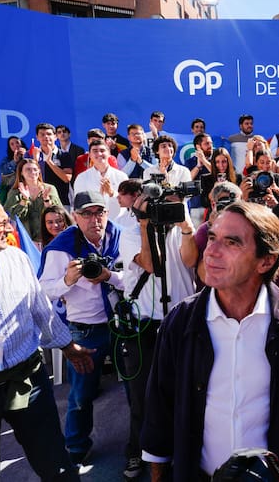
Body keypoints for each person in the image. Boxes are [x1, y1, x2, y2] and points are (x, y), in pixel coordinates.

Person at [141, 201, 279, 481]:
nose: (211, 252)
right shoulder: (180, 321)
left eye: (231, 243)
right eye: (211, 238)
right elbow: (160, 411)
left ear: (265, 261)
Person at [0, 198, 94, 481]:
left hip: (27, 376)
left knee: (54, 461)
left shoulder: (17, 259)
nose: (9, 228)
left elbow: (41, 308)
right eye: (0, 223)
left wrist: (67, 345)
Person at [38, 190, 125, 465]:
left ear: (107, 213)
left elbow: (137, 276)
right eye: (86, 213)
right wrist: (67, 280)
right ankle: (75, 447)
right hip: (84, 328)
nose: (94, 219)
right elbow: (43, 292)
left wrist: (111, 276)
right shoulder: (61, 247)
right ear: (74, 217)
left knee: (136, 388)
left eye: (98, 212)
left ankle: (140, 444)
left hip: (121, 322)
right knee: (81, 395)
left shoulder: (120, 235)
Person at [117, 187, 197, 479]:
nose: (156, 211)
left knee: (184, 390)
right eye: (148, 206)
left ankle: (180, 451)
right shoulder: (127, 231)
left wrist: (186, 228)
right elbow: (151, 264)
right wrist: (144, 225)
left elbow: (190, 262)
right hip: (147, 324)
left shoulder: (180, 223)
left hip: (182, 318)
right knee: (144, 396)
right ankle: (139, 451)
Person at [4, 158, 63, 245]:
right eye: (28, 169)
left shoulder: (50, 188)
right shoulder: (15, 192)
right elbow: (12, 216)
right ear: (21, 173)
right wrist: (24, 200)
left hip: (49, 239)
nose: (32, 172)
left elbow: (58, 213)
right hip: (26, 241)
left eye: (35, 169)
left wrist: (47, 200)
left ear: (39, 171)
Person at [73, 139, 129, 220]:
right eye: (95, 151)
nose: (99, 154)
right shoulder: (82, 178)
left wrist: (112, 193)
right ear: (90, 155)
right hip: (93, 224)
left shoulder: (121, 176)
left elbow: (128, 202)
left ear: (109, 153)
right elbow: (79, 204)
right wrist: (98, 197)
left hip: (119, 221)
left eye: (102, 150)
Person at [32, 123, 74, 207]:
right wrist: (35, 160)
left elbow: (66, 178)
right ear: (37, 137)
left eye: (49, 134)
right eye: (42, 134)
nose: (46, 137)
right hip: (38, 203)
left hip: (61, 202)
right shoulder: (30, 155)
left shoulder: (64, 155)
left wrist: (49, 161)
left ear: (55, 136)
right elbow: (30, 177)